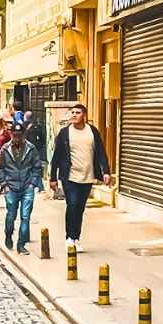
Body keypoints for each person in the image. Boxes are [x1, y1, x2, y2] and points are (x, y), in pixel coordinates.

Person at [50, 103, 112, 252]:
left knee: (80, 208)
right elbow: (56, 156)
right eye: (72, 112)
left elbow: (101, 153)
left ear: (84, 115)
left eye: (77, 112)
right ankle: (69, 237)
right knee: (72, 204)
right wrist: (53, 178)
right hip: (69, 176)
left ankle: (76, 238)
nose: (74, 115)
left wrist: (106, 172)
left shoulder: (92, 132)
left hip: (87, 176)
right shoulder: (65, 133)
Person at [0, 120, 43, 255]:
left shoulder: (31, 148)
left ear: (23, 135)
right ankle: (8, 234)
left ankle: (21, 244)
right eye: (14, 135)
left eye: (19, 135)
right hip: (11, 186)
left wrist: (32, 183)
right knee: (11, 215)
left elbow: (37, 167)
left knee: (25, 216)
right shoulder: (5, 149)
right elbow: (1, 168)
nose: (17, 137)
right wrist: (4, 184)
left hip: (26, 186)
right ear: (11, 134)